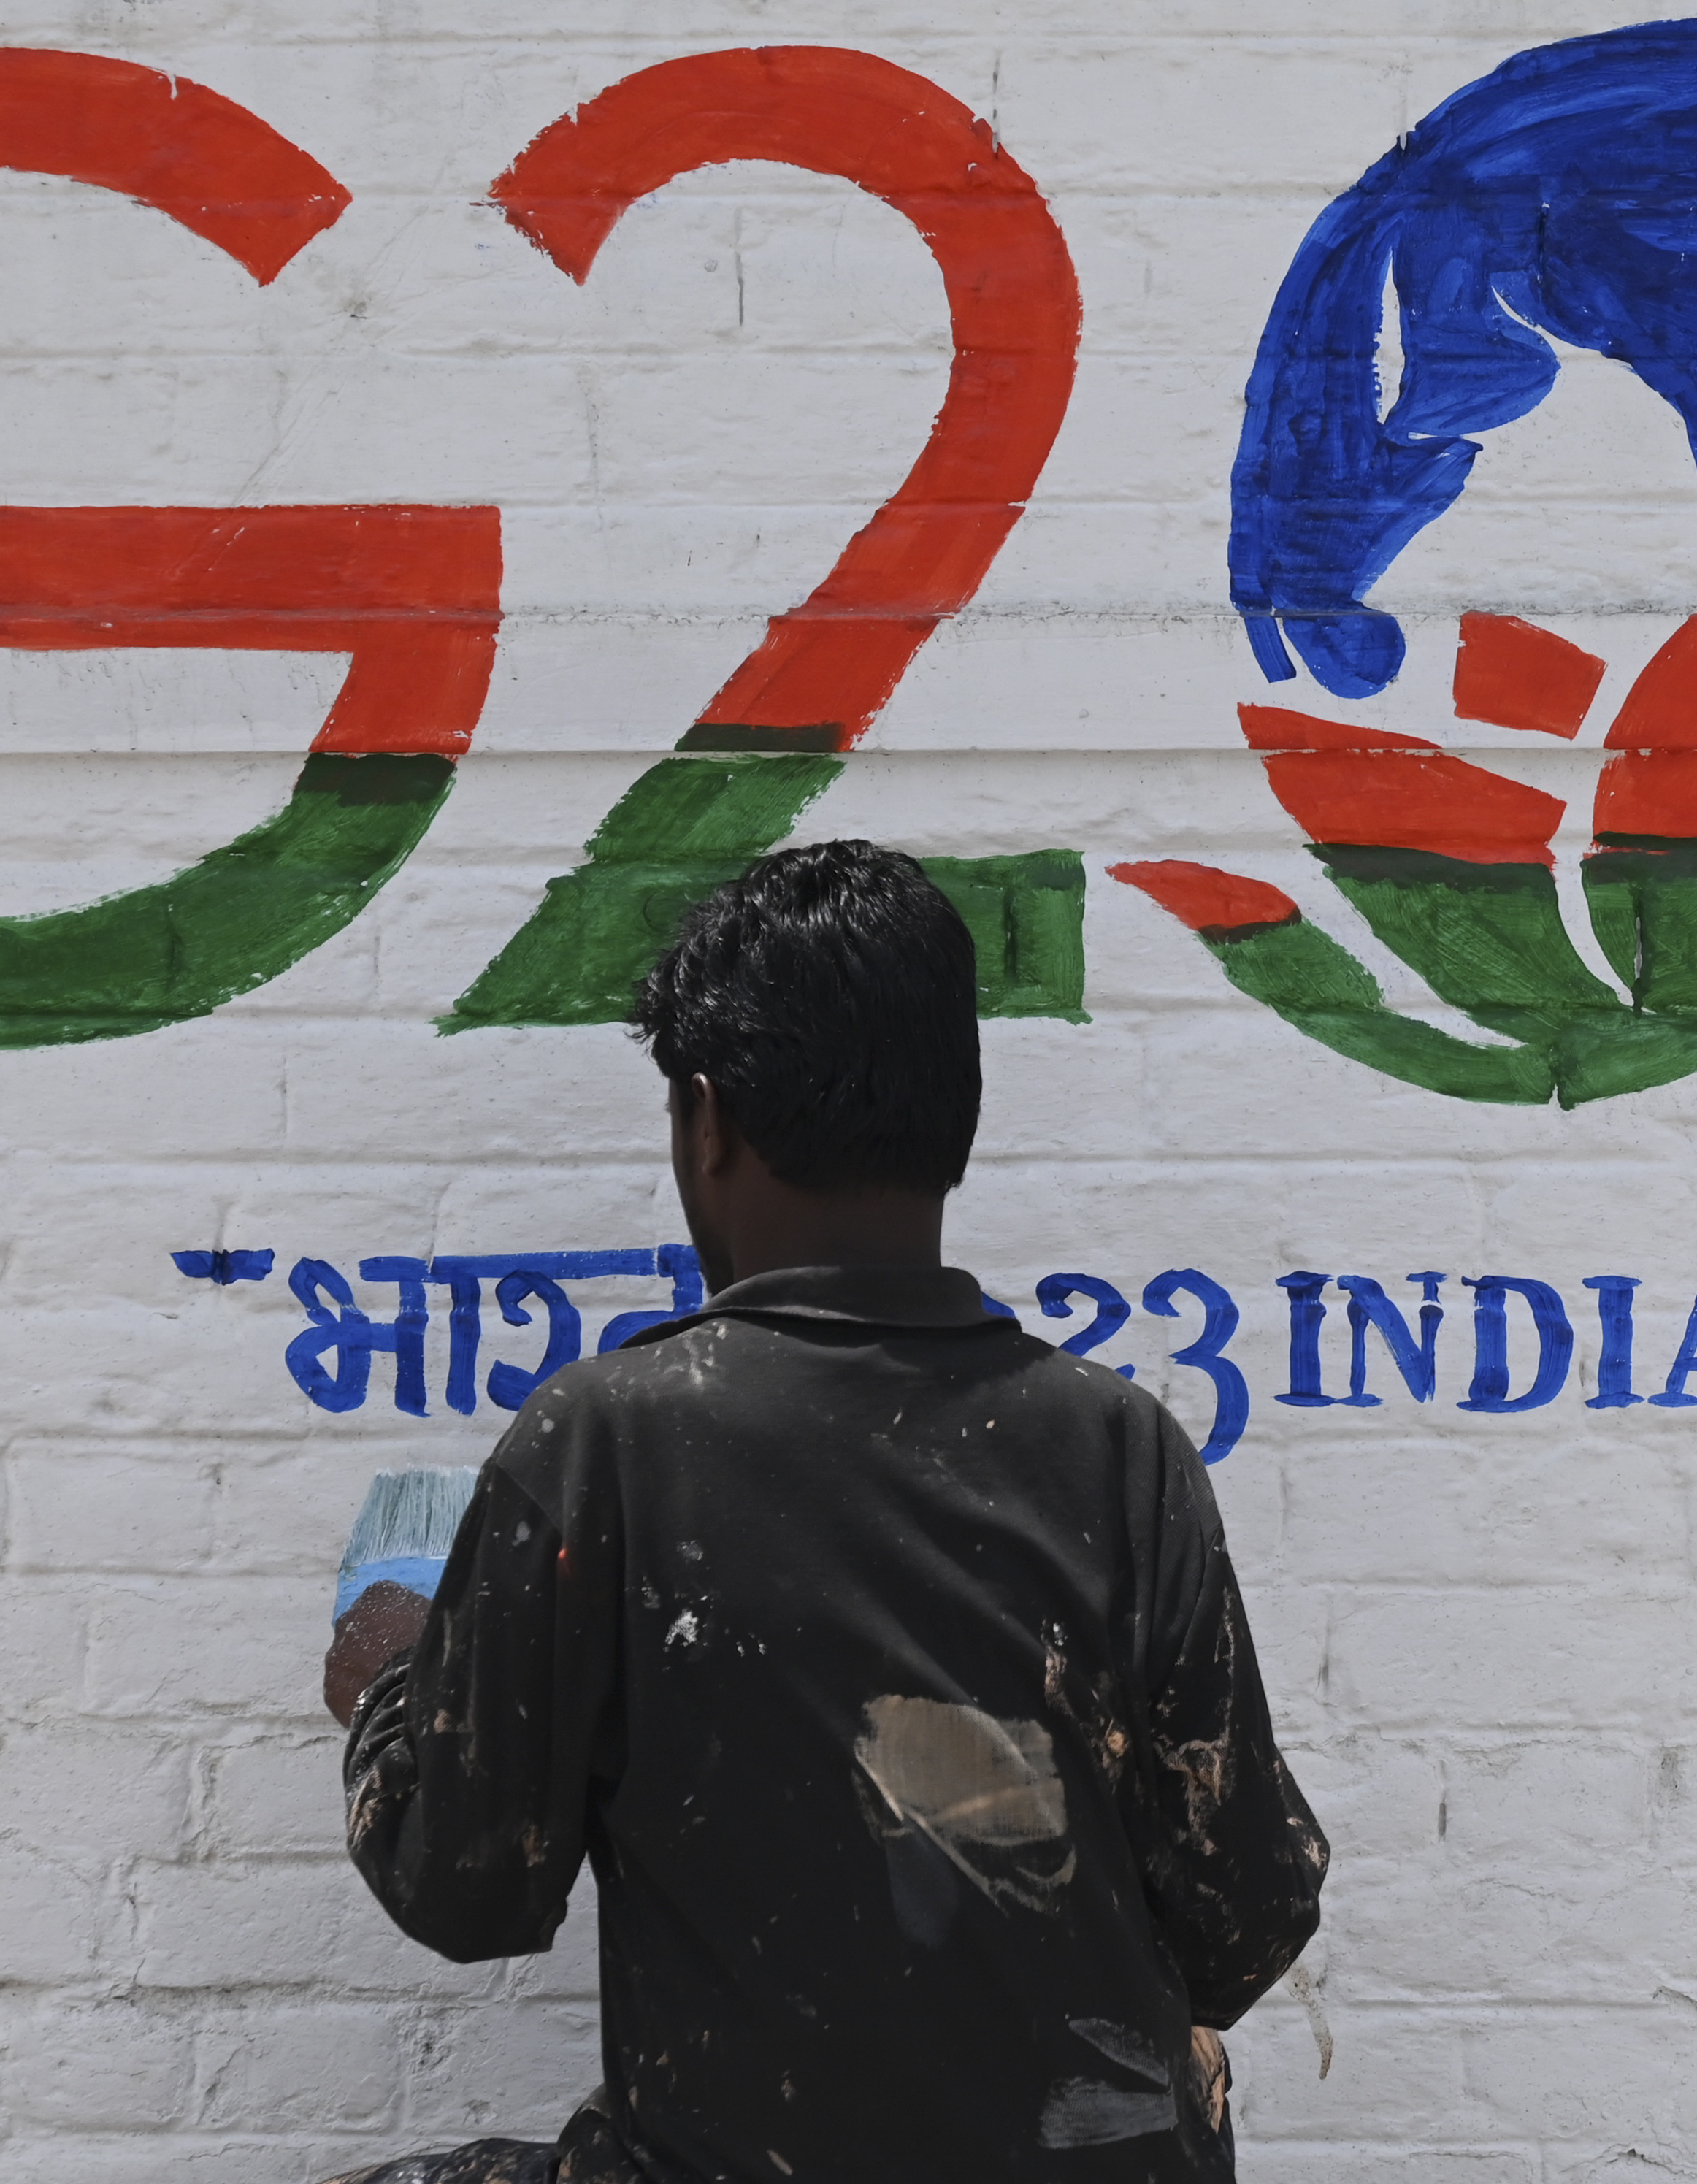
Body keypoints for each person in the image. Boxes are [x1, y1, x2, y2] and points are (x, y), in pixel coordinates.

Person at [317, 840, 1328, 2184]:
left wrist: (397, 1685)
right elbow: (1249, 1910)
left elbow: (463, 1885)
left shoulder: (611, 1439)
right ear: (953, 1117)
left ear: (709, 1118)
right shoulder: (1119, 1445)